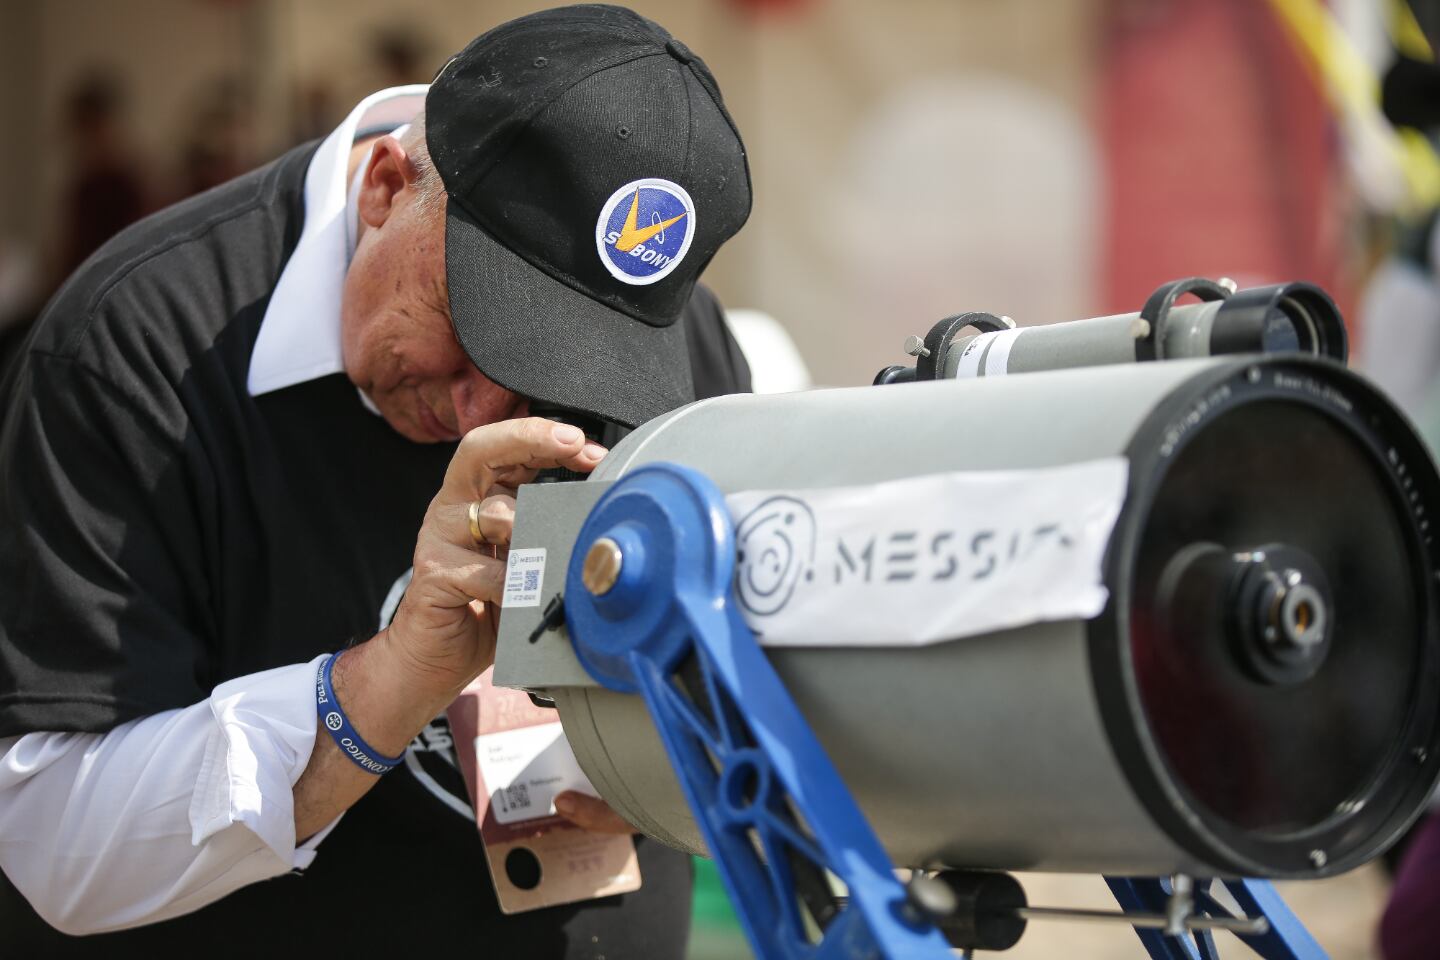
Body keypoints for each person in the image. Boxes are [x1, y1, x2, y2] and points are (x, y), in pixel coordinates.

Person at [0, 5, 752, 955]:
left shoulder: (681, 347)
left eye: (570, 371)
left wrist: (673, 774)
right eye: (474, 333)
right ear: (387, 189)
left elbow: (752, 694)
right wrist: (389, 684)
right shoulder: (134, 350)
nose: (483, 413)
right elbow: (53, 846)